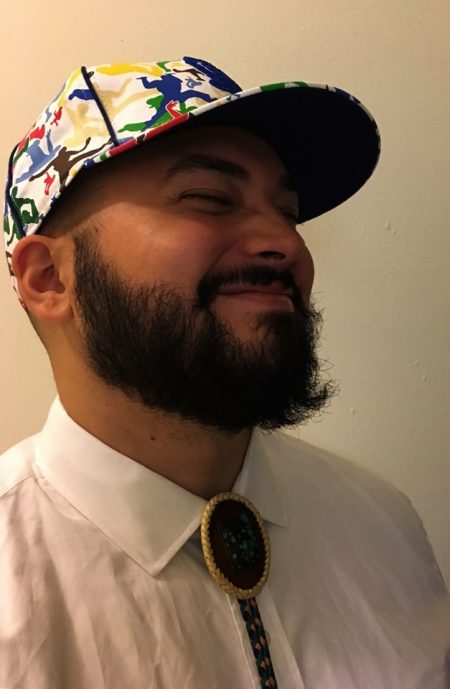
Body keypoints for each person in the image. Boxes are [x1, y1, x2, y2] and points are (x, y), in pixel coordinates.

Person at [1, 56, 449, 689]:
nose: (286, 244)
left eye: (288, 211)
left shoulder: (382, 524)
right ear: (49, 278)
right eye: (209, 198)